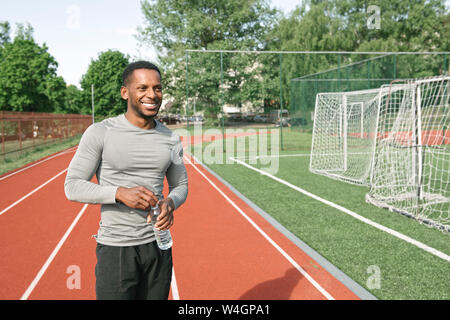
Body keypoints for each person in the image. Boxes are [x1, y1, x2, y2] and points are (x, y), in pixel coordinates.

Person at [64, 61, 188, 300]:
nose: (152, 94)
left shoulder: (171, 138)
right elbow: (72, 185)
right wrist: (119, 193)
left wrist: (170, 203)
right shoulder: (101, 132)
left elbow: (180, 185)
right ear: (125, 93)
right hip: (116, 249)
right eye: (142, 88)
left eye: (157, 88)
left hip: (158, 247)